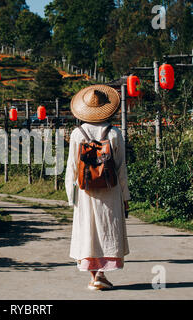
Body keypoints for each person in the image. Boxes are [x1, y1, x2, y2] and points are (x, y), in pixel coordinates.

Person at [65, 84, 130, 291]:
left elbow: (72, 168)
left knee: (88, 230)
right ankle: (101, 275)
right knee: (107, 228)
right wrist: (125, 196)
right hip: (110, 190)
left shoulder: (77, 134)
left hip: (85, 191)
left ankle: (94, 276)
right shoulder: (114, 133)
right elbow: (121, 168)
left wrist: (70, 196)